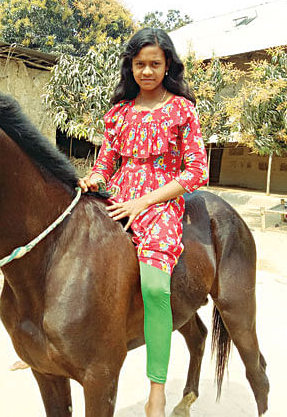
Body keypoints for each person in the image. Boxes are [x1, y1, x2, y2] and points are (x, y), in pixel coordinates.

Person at [78, 28, 209, 417]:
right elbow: (106, 164)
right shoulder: (118, 113)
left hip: (161, 202)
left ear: (167, 64)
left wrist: (146, 200)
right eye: (140, 64)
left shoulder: (183, 110)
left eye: (155, 63)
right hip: (117, 198)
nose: (147, 71)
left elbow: (197, 171)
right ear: (130, 67)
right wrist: (94, 179)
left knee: (154, 287)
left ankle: (156, 389)